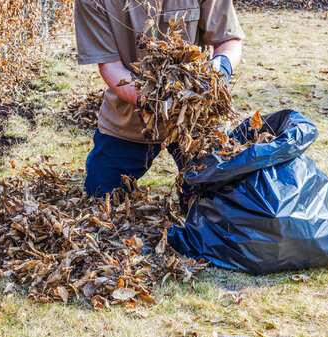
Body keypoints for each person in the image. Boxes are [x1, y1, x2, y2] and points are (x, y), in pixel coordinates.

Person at [74, 0, 245, 208]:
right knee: (102, 201)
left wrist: (219, 70)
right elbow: (111, 67)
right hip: (130, 118)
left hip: (196, 120)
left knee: (217, 207)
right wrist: (153, 99)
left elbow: (229, 41)